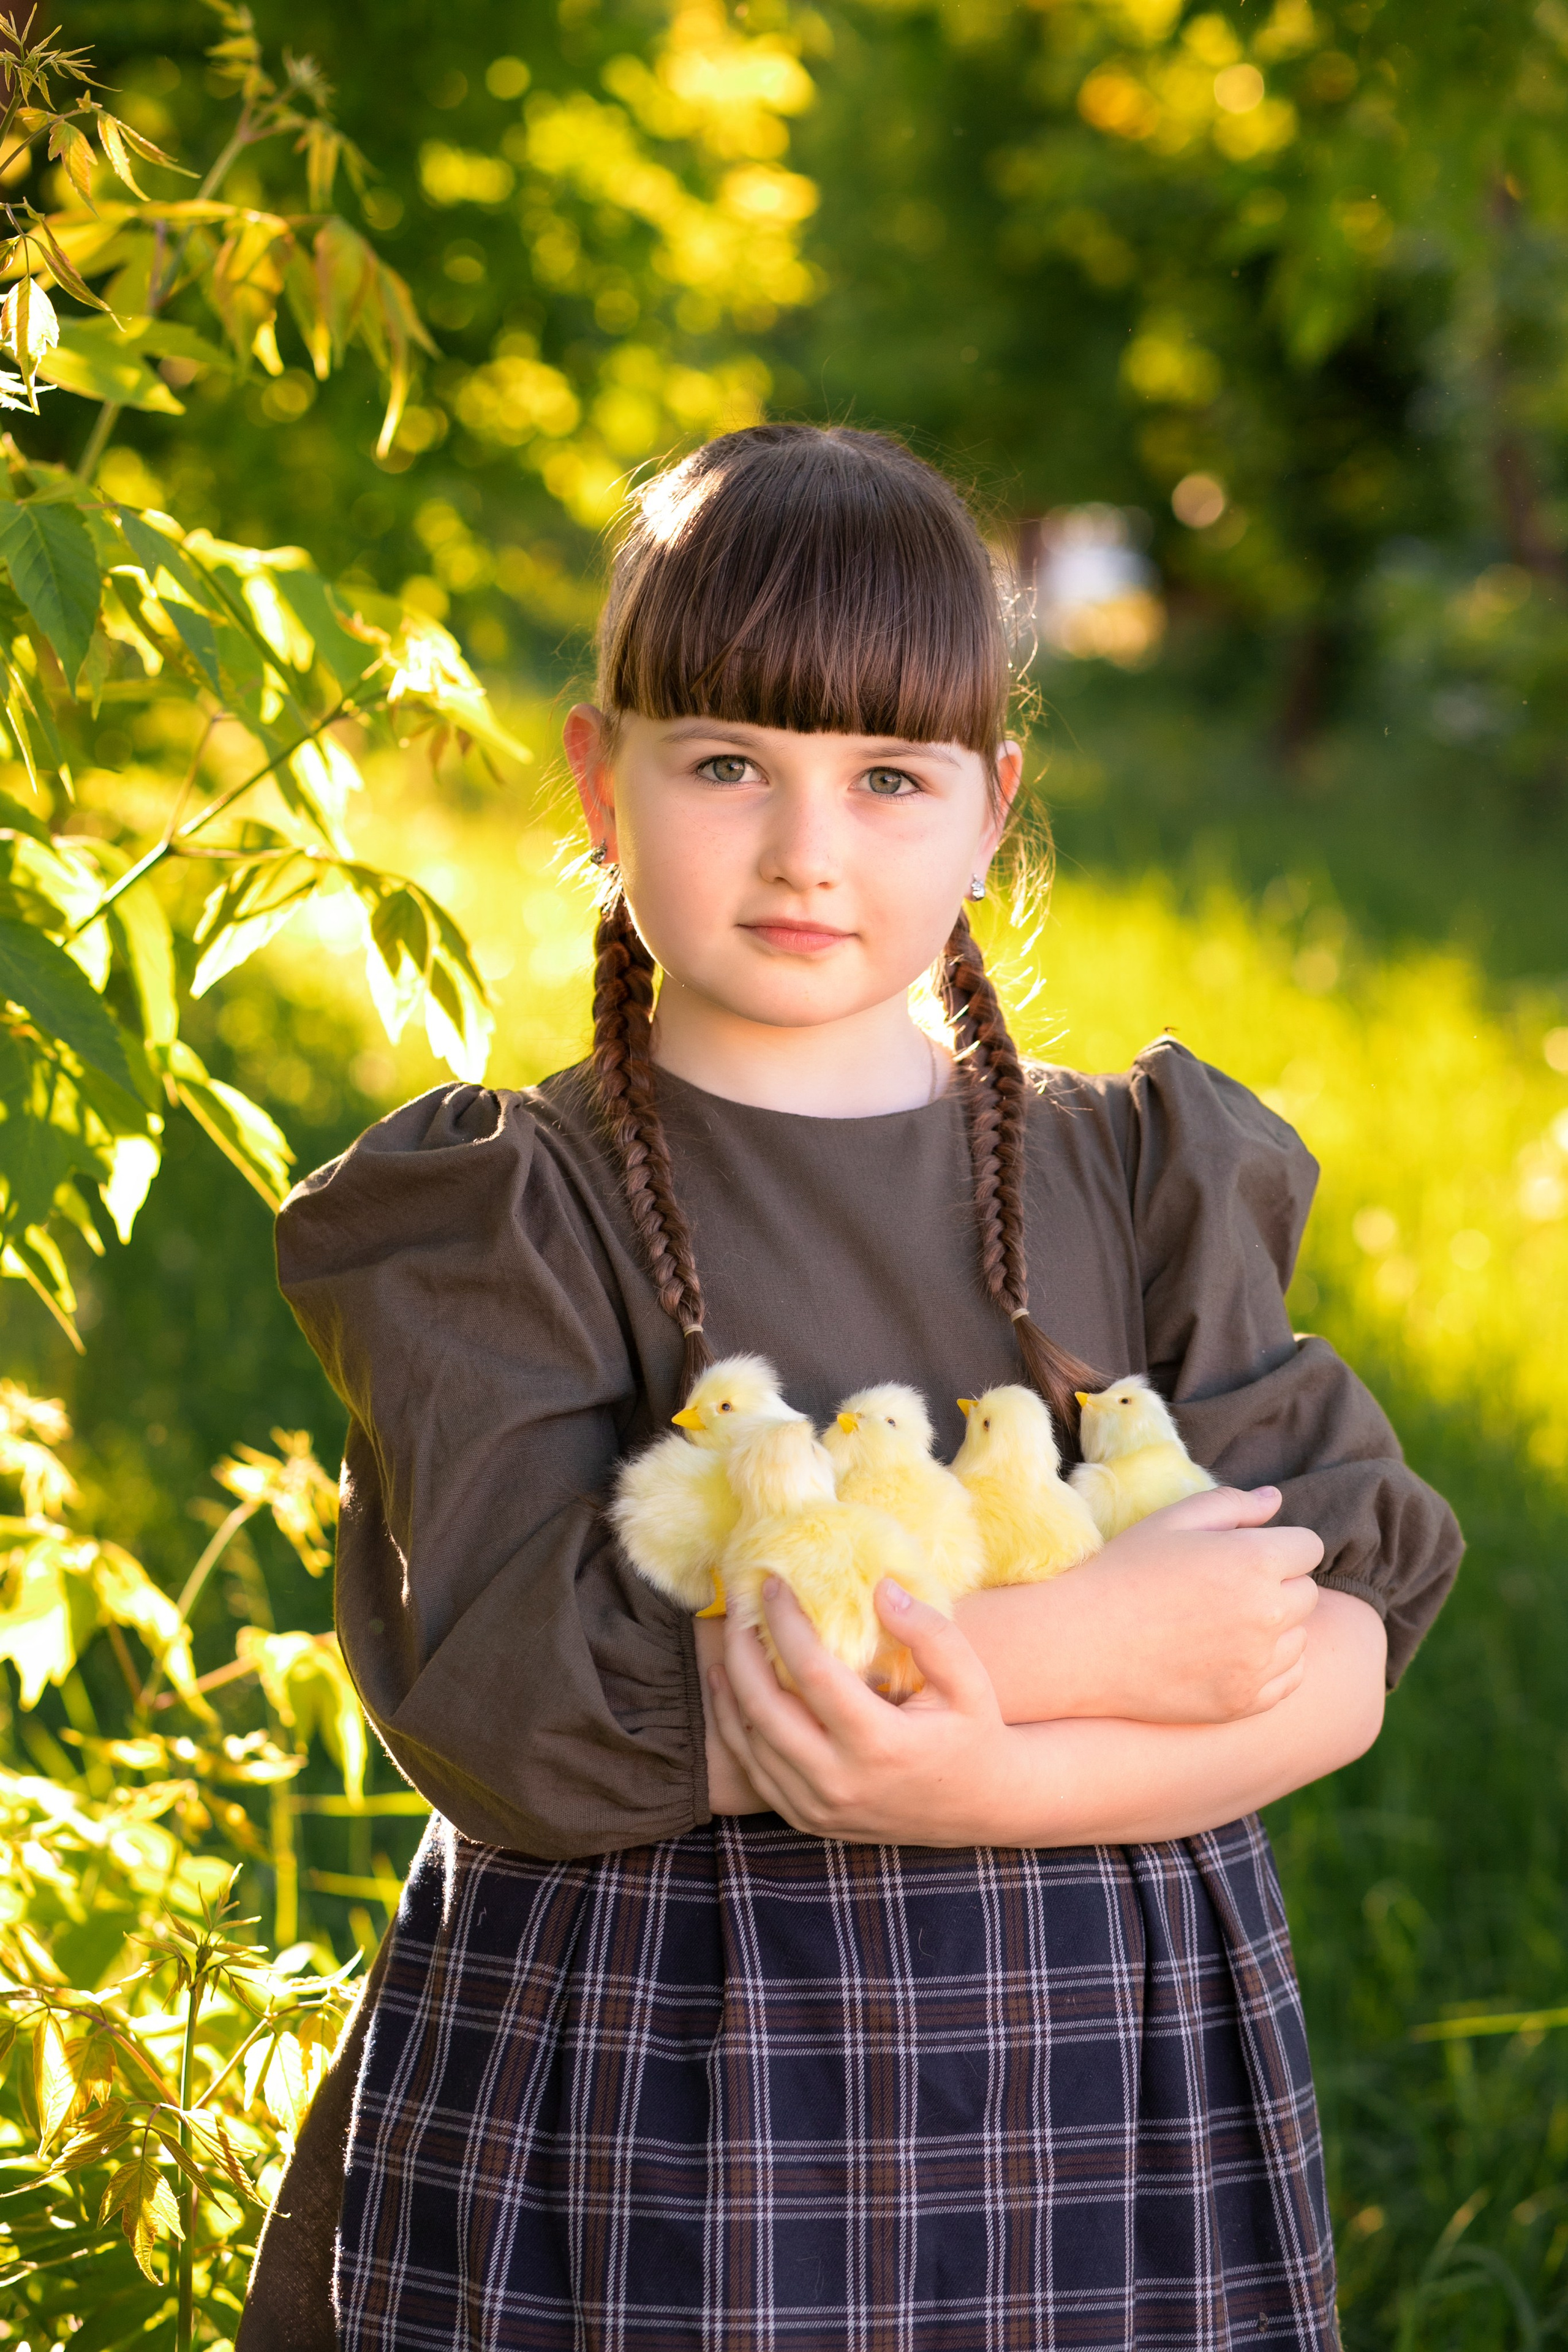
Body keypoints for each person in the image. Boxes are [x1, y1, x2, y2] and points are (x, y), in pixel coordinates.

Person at [244, 424, 1461, 2351]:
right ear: (599, 778)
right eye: (729, 762)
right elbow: (518, 1714)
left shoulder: (1136, 1181)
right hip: (654, 2094)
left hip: (1092, 2084)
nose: (808, 849)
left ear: (991, 806)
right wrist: (1058, 1652)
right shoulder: (504, 1210)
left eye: (886, 776)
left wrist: (980, 1777)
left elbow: (1335, 1645)